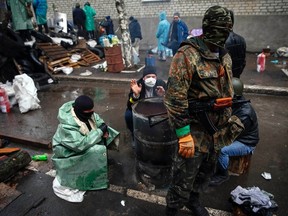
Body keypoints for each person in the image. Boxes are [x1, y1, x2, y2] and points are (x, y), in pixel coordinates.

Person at [164, 6, 244, 216]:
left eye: (227, 29)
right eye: (219, 29)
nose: (223, 34)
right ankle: (172, 209)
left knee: (204, 174)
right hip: (194, 132)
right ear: (207, 27)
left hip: (216, 132)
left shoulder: (224, 56)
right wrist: (183, 135)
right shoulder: (187, 55)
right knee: (183, 177)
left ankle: (194, 201)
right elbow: (174, 98)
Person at [52, 95, 119, 202]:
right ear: (78, 111)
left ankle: (96, 163)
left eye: (92, 111)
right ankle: (92, 177)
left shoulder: (86, 114)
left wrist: (103, 127)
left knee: (106, 130)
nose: (91, 114)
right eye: (88, 113)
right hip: (68, 153)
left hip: (82, 143)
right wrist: (100, 132)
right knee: (96, 150)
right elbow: (80, 144)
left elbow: (97, 119)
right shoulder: (66, 126)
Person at [209, 78, 259, 186]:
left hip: (246, 143)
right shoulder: (236, 103)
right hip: (237, 136)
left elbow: (229, 136)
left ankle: (222, 174)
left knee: (222, 149)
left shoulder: (244, 114)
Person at [124, 66, 166, 146]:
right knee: (128, 115)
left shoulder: (161, 84)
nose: (151, 79)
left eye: (153, 77)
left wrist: (163, 96)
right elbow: (130, 106)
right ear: (143, 78)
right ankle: (134, 135)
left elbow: (169, 102)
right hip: (141, 109)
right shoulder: (137, 85)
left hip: (155, 109)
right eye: (148, 77)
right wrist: (136, 95)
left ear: (156, 77)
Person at [225, 10, 247, 78]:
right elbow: (243, 61)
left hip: (226, 77)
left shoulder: (222, 41)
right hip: (237, 75)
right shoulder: (241, 39)